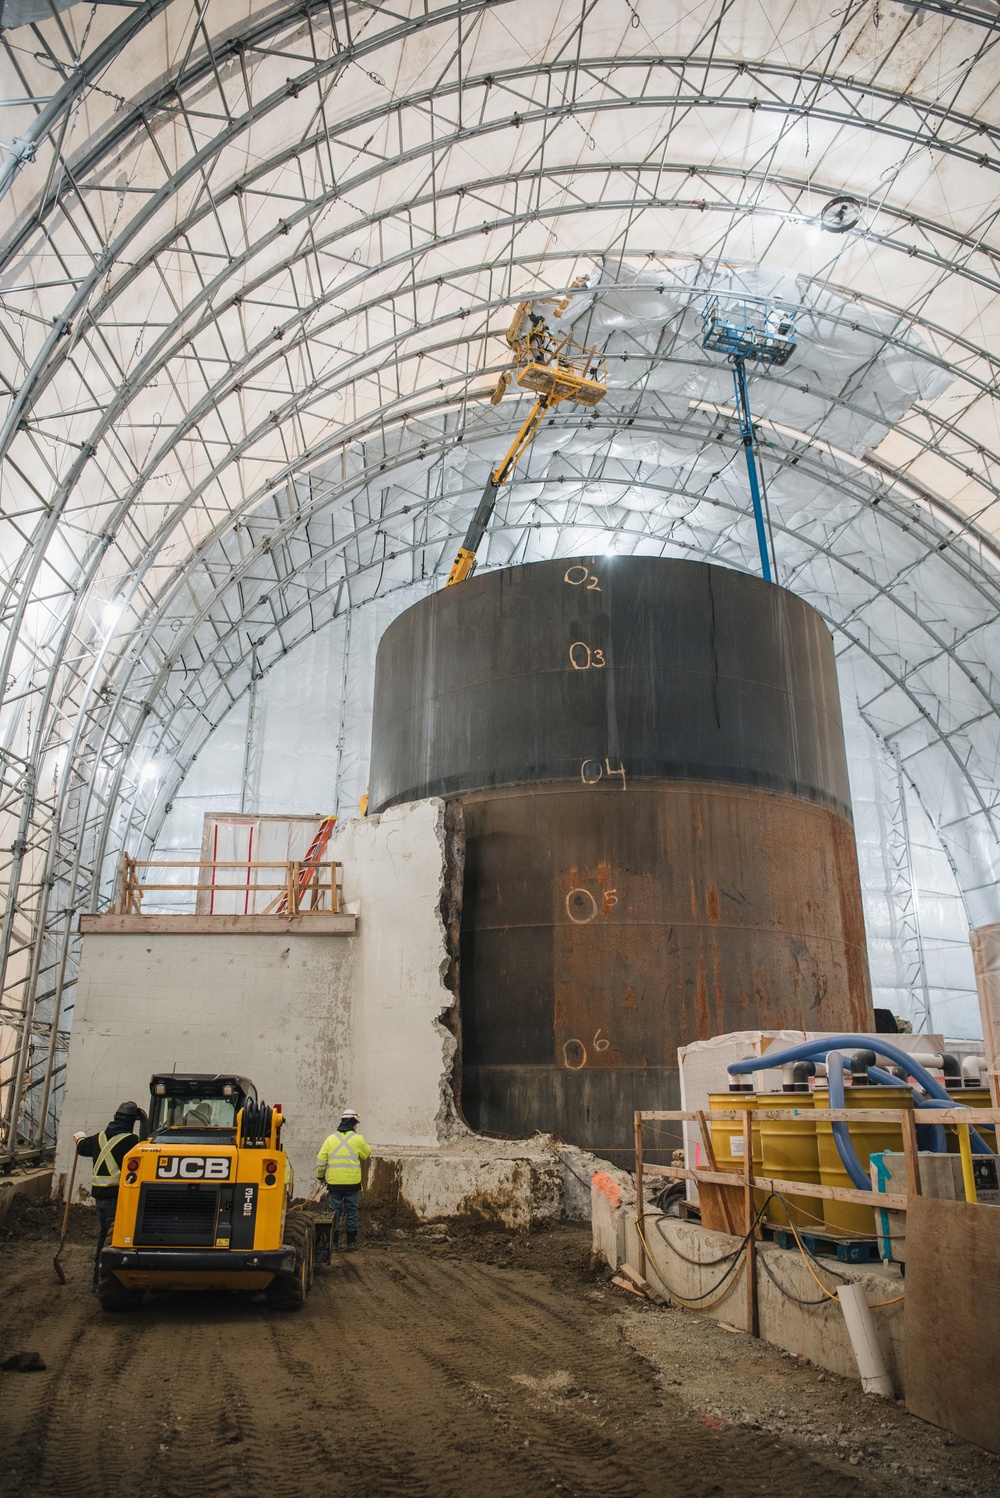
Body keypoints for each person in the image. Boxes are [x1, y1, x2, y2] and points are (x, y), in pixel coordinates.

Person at [74, 1100, 146, 1291]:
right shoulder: (132, 1142)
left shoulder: (97, 1138)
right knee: (113, 1241)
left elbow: (81, 1147)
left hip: (100, 1199)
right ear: (131, 1121)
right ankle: (105, 1283)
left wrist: (79, 1137)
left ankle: (96, 1281)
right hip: (117, 1199)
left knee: (103, 1237)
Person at [316, 1108, 371, 1251]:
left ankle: (333, 1244)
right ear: (353, 1125)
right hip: (352, 1184)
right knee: (351, 1212)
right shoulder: (358, 1139)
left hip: (334, 1184)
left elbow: (321, 1160)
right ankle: (351, 1243)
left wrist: (321, 1176)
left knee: (334, 1212)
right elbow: (366, 1154)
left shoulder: (330, 1139)